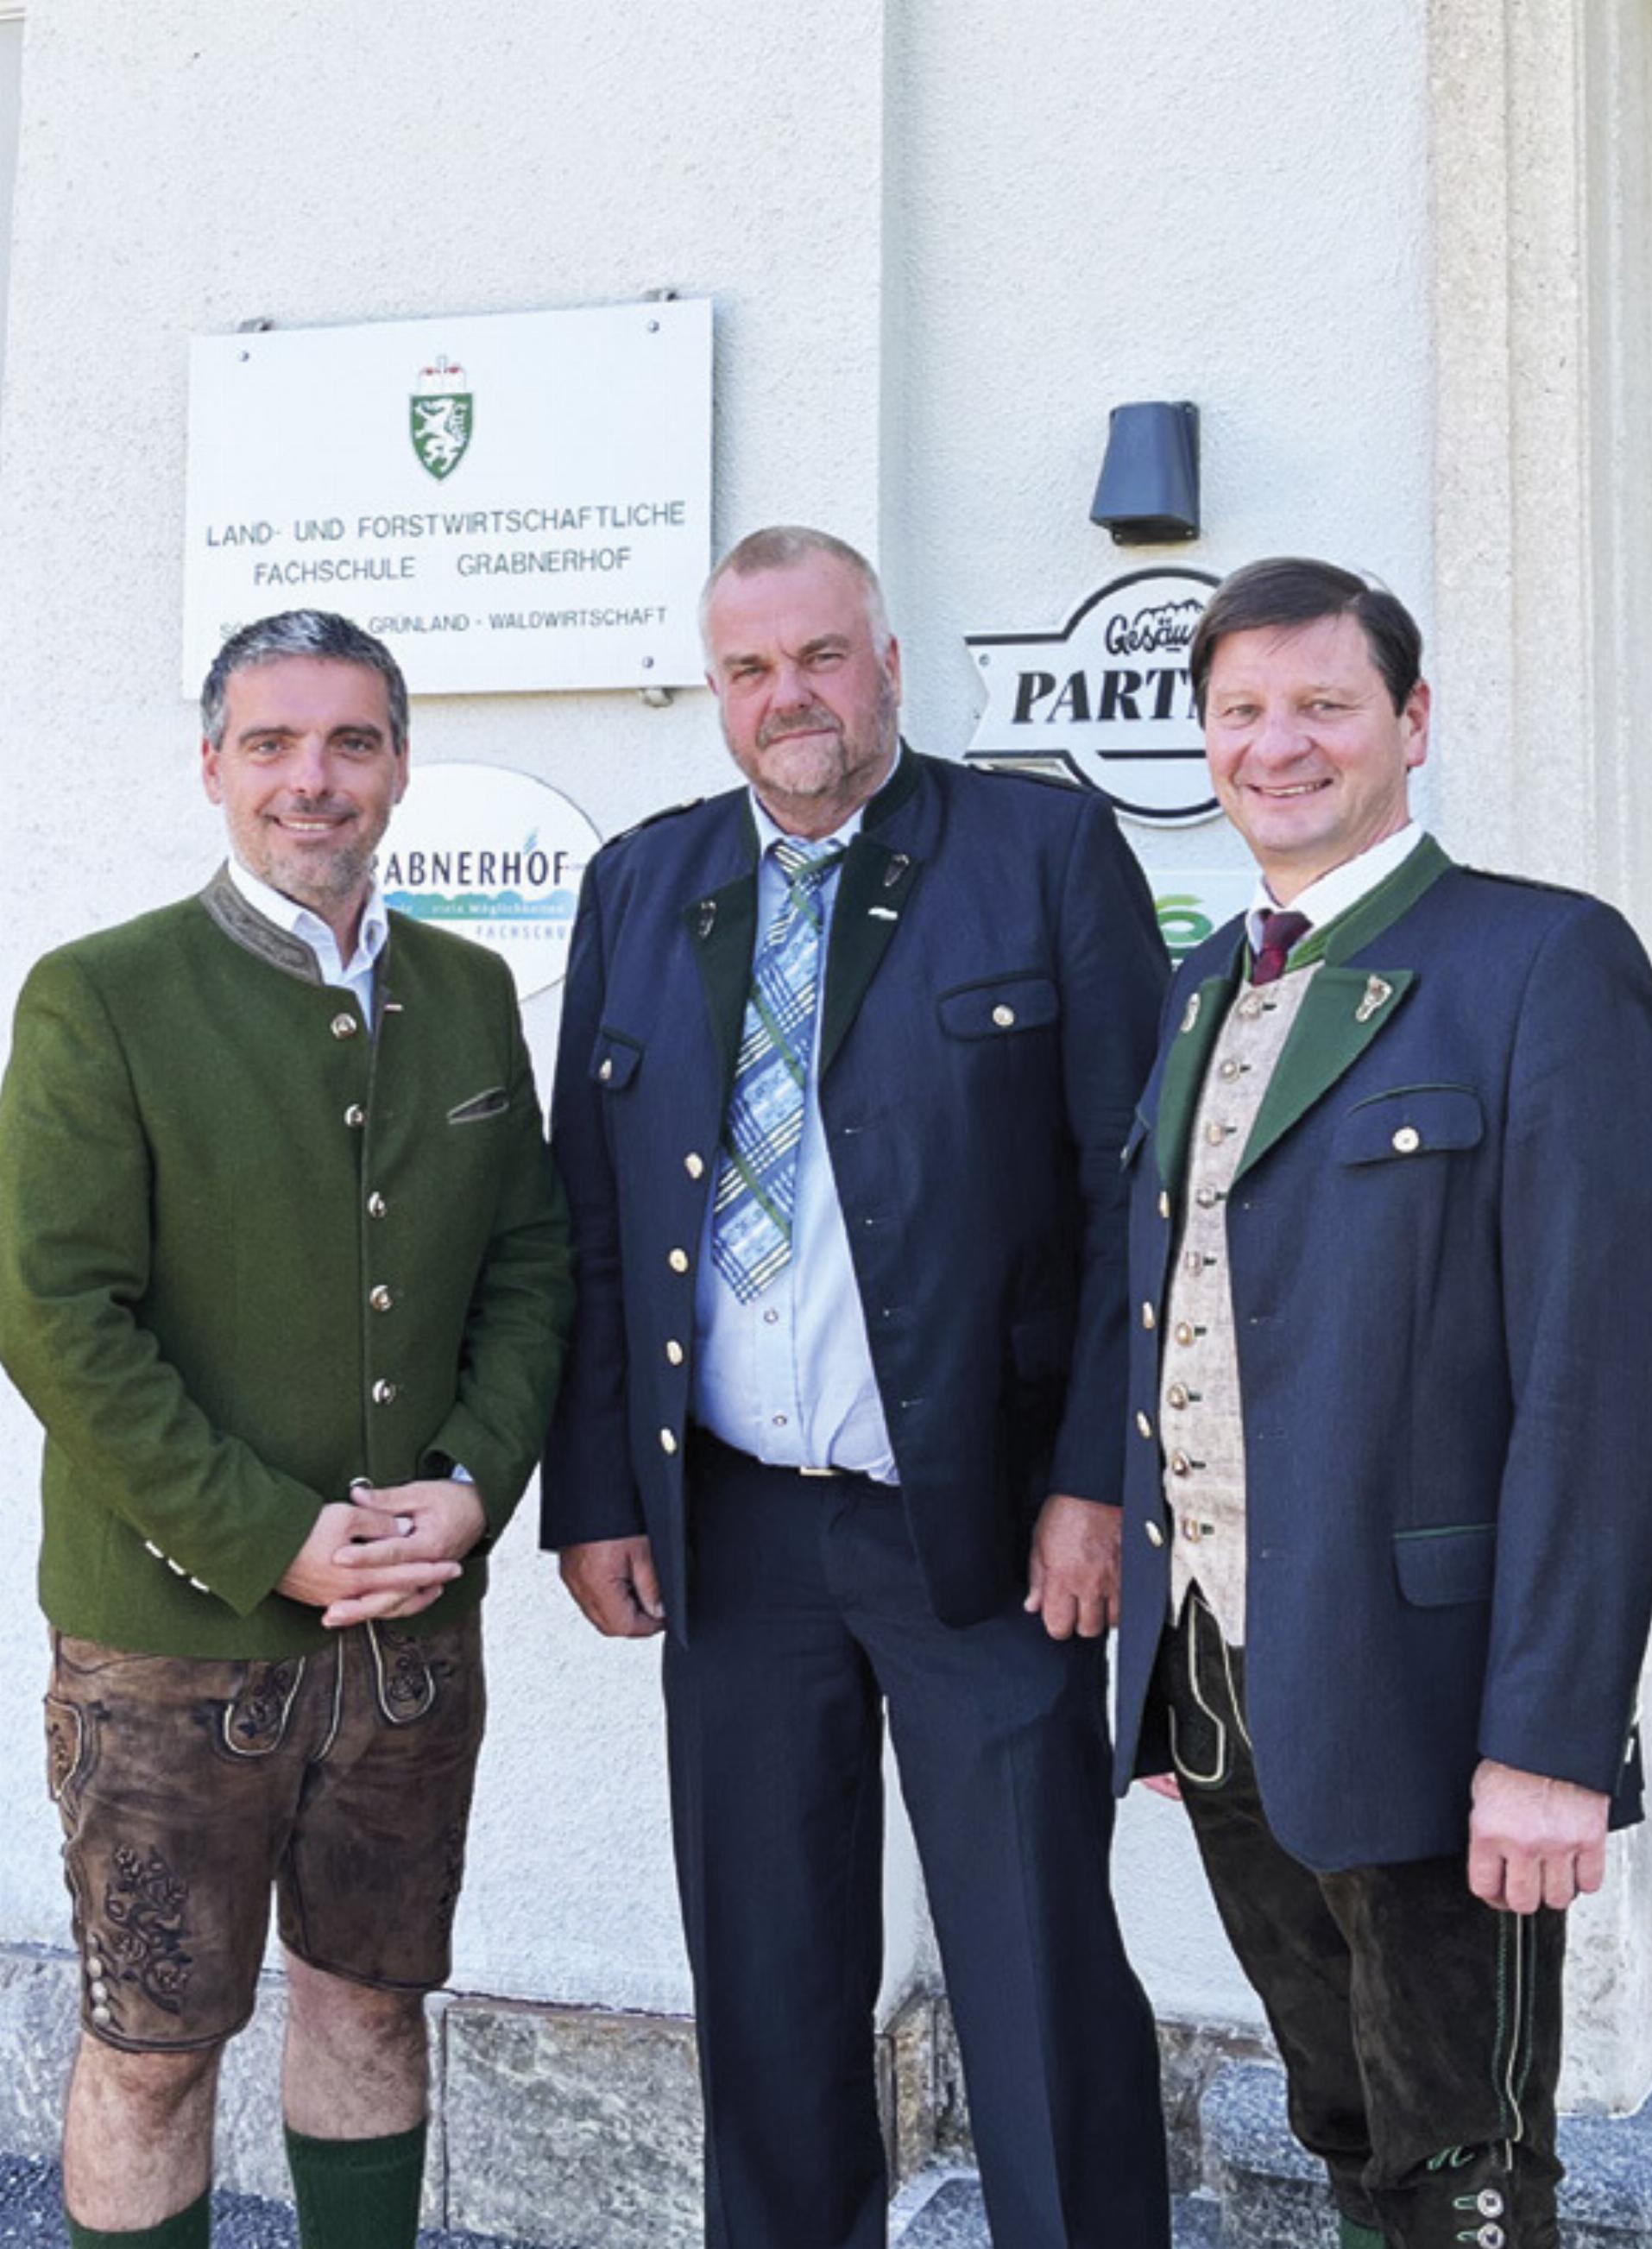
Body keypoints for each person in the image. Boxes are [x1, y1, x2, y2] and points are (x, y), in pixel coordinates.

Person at [543, 525, 1171, 2249]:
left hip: (981, 1528)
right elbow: (593, 1216)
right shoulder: (644, 885)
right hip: (733, 1533)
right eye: (750, 668)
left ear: (891, 662)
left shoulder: (1041, 851)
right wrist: (594, 1490)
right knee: (765, 1969)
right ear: (716, 691)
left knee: (1034, 1970)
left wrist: (1097, 1484)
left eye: (821, 655)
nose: (788, 696)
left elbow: (1140, 1201)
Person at [0, 610, 572, 2249]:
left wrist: (472, 1487)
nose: (311, 781)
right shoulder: (99, 993)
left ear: (398, 764)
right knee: (154, 2055)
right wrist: (268, 1536)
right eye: (271, 744)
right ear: (212, 767)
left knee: (372, 2013)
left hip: (408, 1634)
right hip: (171, 1651)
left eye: (349, 743)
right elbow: (53, 1313)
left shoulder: (465, 990)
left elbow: (529, 1259)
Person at [1113, 555, 1652, 2249]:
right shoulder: (1209, 987)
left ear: (1411, 722)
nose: (1280, 743)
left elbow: (1603, 1368)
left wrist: (1554, 1741)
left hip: (1439, 1702)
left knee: (1465, 2167)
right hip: (1223, 1680)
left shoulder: (1541, 961)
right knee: (1343, 2122)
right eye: (1242, 712)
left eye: (1325, 704)